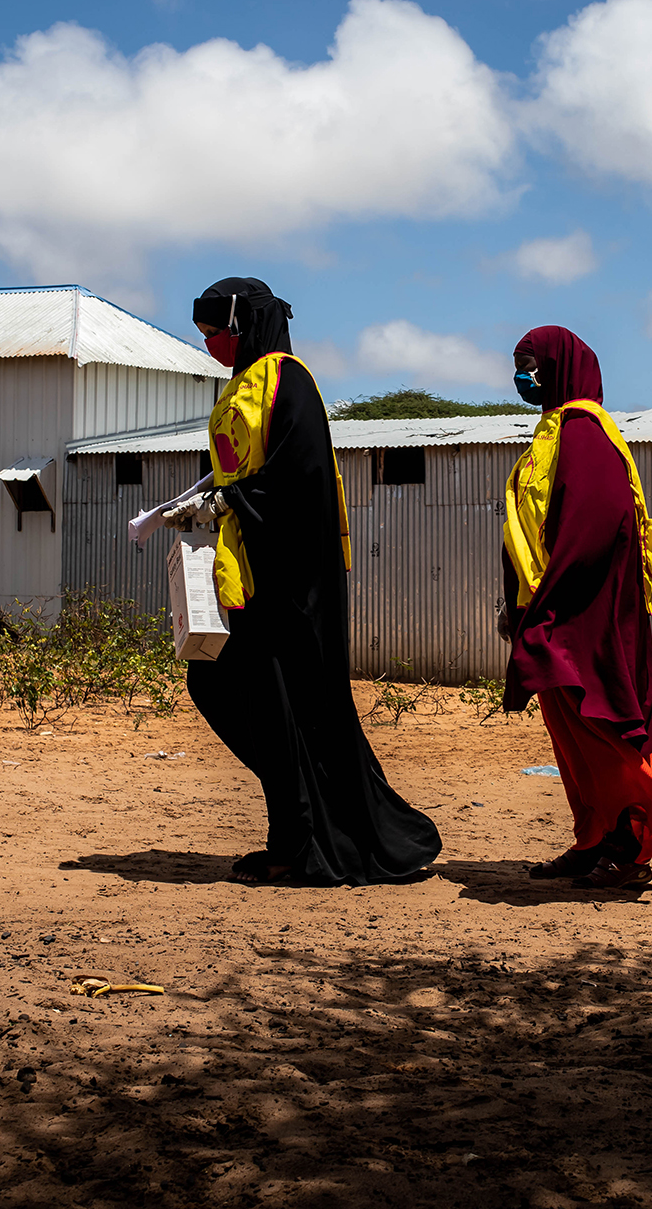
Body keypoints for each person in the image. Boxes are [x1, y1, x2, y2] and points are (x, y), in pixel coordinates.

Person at [171, 277, 441, 886]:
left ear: (249, 324)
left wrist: (234, 498)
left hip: (286, 581)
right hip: (245, 570)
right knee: (219, 683)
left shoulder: (287, 379)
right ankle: (297, 827)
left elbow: (300, 477)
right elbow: (238, 467)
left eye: (218, 330)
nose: (212, 342)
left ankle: (297, 843)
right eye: (205, 333)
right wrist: (203, 499)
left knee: (282, 707)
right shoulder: (241, 385)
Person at [499, 326, 652, 890]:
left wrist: (551, 600)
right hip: (551, 601)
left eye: (530, 364)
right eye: (517, 365)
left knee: (601, 721)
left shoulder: (584, 432)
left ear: (561, 365)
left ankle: (636, 837)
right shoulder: (553, 431)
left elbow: (592, 525)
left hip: (584, 605)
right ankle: (594, 836)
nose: (522, 376)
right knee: (569, 727)